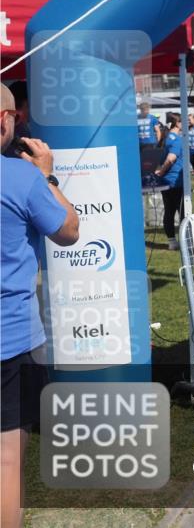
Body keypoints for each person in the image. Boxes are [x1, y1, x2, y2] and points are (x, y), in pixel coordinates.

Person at [1, 84, 79, 528]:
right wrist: (48, 175)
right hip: (10, 340)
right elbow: (68, 229)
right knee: (7, 460)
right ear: (5, 121)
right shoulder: (21, 177)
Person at [153, 113, 185, 250]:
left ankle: (172, 241)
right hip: (175, 181)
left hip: (165, 181)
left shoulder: (164, 137)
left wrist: (160, 172)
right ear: (177, 124)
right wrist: (162, 170)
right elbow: (171, 158)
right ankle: (185, 242)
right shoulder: (176, 139)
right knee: (182, 211)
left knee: (169, 210)